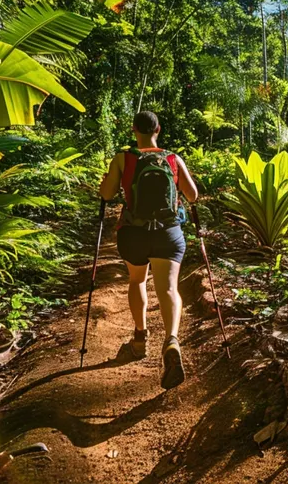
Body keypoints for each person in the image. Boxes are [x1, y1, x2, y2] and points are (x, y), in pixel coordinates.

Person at [99, 111, 199, 390]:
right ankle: (172, 341)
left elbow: (106, 195)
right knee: (168, 289)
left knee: (137, 280)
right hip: (168, 232)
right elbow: (192, 196)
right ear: (158, 129)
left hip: (134, 233)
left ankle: (140, 338)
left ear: (134, 130)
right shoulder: (172, 158)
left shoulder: (123, 157)